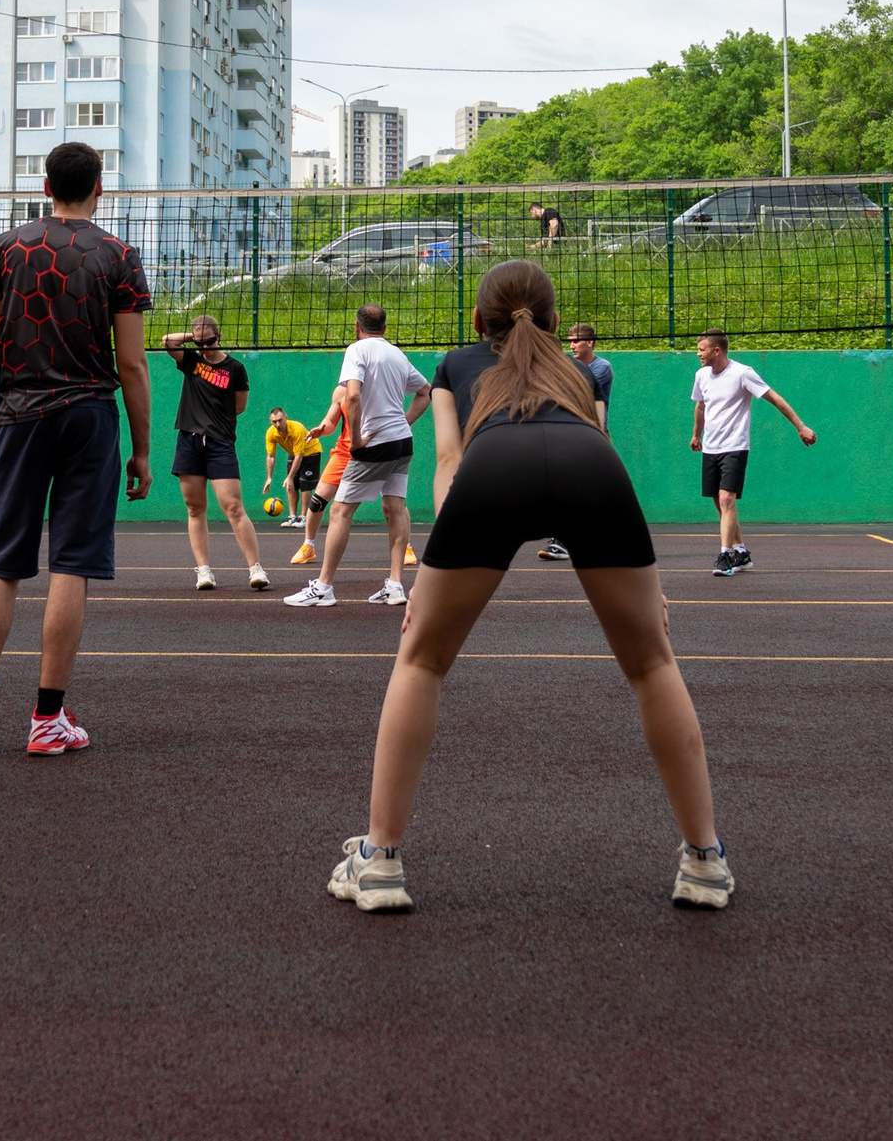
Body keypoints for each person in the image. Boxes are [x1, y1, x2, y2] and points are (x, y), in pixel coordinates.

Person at [324, 260, 730, 914]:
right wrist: (644, 580)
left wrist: (432, 568)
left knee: (421, 660)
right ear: (553, 321)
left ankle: (379, 860)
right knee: (653, 661)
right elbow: (597, 441)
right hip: (592, 467)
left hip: (494, 469)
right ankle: (706, 861)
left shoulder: (457, 364)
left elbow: (451, 462)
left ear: (478, 321)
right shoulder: (578, 370)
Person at [0, 142, 153, 757]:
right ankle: (47, 719)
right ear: (100, 187)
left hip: (18, 413)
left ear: (46, 184)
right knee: (72, 564)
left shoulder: (9, 248)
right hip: (88, 416)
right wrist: (141, 449)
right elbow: (132, 365)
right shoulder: (120, 256)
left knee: (2, 560)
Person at [286, 304, 429, 609]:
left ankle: (323, 588)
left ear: (357, 327)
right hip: (402, 442)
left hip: (374, 444)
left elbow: (351, 395)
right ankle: (394, 585)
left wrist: (360, 439)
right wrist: (403, 422)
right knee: (395, 508)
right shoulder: (396, 353)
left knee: (339, 513)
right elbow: (425, 391)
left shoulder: (357, 350)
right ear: (385, 328)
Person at [689, 329, 816, 575]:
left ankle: (725, 556)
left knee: (727, 499)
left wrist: (801, 427)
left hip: (735, 446)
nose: (698, 354)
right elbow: (700, 406)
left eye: (701, 349)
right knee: (720, 502)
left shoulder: (742, 373)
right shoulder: (701, 375)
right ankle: (741, 551)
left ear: (716, 350)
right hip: (711, 447)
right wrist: (696, 435)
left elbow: (775, 398)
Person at [163, 315, 268, 591]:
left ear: (218, 337)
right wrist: (193, 337)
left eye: (209, 341)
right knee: (195, 508)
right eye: (200, 342)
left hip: (220, 443)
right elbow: (166, 341)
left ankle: (255, 568)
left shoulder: (235, 368)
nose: (205, 347)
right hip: (189, 441)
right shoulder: (191, 361)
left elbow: (240, 406)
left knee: (233, 506)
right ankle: (204, 571)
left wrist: (214, 420)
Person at [538, 321, 614, 561]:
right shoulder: (567, 365)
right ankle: (562, 539)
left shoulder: (602, 367)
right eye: (569, 341)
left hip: (594, 433)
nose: (571, 345)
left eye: (576, 341)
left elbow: (574, 389)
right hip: (569, 433)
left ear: (590, 343)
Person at [288, 395, 350, 568]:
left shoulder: (379, 380)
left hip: (377, 450)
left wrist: (406, 421)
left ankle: (405, 547)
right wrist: (322, 429)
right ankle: (309, 545)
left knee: (392, 503)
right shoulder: (341, 390)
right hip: (345, 452)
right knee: (317, 502)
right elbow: (331, 420)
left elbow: (424, 392)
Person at [262, 406, 325, 540]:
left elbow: (299, 456)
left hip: (311, 452)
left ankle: (303, 518)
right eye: (274, 422)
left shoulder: (297, 429)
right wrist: (269, 477)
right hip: (294, 454)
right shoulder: (271, 433)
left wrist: (289, 477)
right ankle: (292, 517)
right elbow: (271, 456)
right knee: (291, 486)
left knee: (304, 485)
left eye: (280, 420)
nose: (278, 424)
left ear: (286, 417)